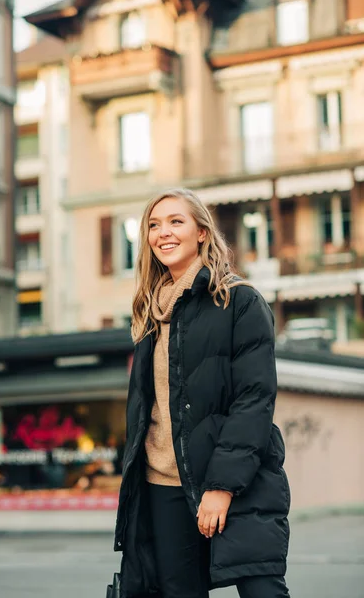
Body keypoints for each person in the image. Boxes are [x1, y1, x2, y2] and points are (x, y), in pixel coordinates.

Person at [114, 188, 290, 598]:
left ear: (202, 234)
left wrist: (222, 487)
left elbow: (254, 399)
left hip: (236, 480)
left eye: (176, 221)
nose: (163, 233)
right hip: (162, 486)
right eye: (154, 225)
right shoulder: (150, 314)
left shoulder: (239, 301)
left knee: (262, 590)